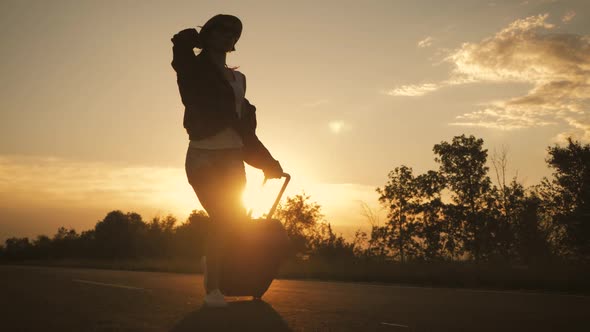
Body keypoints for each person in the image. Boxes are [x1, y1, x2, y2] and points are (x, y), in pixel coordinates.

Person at [171, 14, 283, 307]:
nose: (228, 37)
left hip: (233, 157)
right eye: (221, 31)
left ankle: (221, 273)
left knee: (233, 220)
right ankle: (212, 290)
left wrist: (268, 162)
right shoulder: (193, 69)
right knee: (223, 219)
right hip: (202, 156)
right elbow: (181, 46)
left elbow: (244, 129)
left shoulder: (240, 80)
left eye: (234, 33)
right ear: (208, 34)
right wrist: (197, 39)